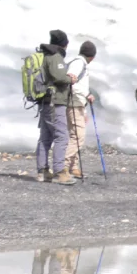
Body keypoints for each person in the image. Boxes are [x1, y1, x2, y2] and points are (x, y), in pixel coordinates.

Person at [33, 30, 76, 184]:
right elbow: (58, 77)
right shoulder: (55, 56)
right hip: (54, 102)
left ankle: (42, 171)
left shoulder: (45, 55)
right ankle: (60, 172)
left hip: (45, 101)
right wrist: (70, 79)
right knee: (61, 135)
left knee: (46, 137)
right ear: (64, 44)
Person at [62, 40, 97, 180]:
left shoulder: (77, 62)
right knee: (78, 137)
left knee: (74, 134)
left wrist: (85, 109)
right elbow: (72, 82)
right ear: (92, 57)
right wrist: (86, 95)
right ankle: (62, 166)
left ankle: (73, 166)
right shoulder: (79, 63)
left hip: (78, 104)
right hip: (74, 104)